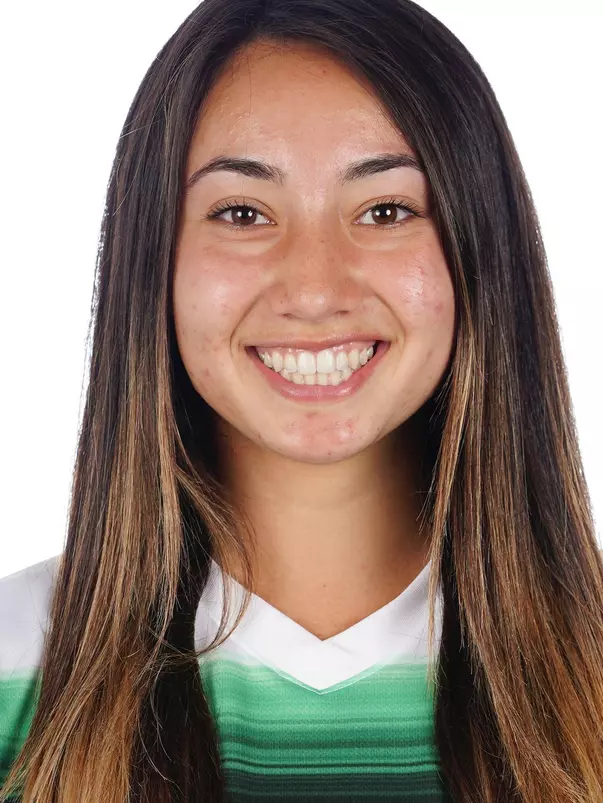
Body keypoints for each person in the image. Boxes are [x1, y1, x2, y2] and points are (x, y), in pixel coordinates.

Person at [1, 0, 602, 800]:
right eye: (243, 213)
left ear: (478, 250)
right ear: (156, 261)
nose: (315, 289)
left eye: (385, 210)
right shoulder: (15, 663)